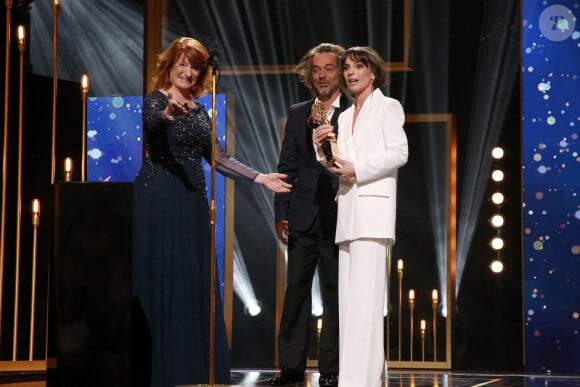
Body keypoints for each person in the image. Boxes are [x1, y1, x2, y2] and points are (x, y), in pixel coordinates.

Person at [131, 37, 291, 387]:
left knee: (190, 278)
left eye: (195, 67)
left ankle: (187, 367)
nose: (188, 72)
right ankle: (156, 367)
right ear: (170, 66)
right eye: (182, 64)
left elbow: (218, 158)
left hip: (191, 201)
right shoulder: (155, 100)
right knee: (162, 276)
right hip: (160, 197)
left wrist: (259, 177)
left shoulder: (201, 110)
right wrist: (169, 113)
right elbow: (155, 125)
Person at [313, 46, 408, 387]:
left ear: (373, 72)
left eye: (358, 67)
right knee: (350, 307)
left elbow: (400, 152)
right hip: (349, 214)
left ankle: (362, 380)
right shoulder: (343, 115)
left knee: (367, 306)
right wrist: (321, 149)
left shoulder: (387, 106)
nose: (351, 73)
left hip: (373, 211)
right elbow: (340, 166)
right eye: (348, 68)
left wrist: (361, 169)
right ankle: (359, 378)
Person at [271, 43, 351, 387]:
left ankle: (332, 370)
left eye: (329, 68)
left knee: (336, 295)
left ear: (341, 72)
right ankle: (290, 368)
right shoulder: (298, 112)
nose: (322, 75)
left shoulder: (353, 111)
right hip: (302, 216)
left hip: (340, 215)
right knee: (296, 295)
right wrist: (281, 212)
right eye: (316, 69)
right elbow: (286, 166)